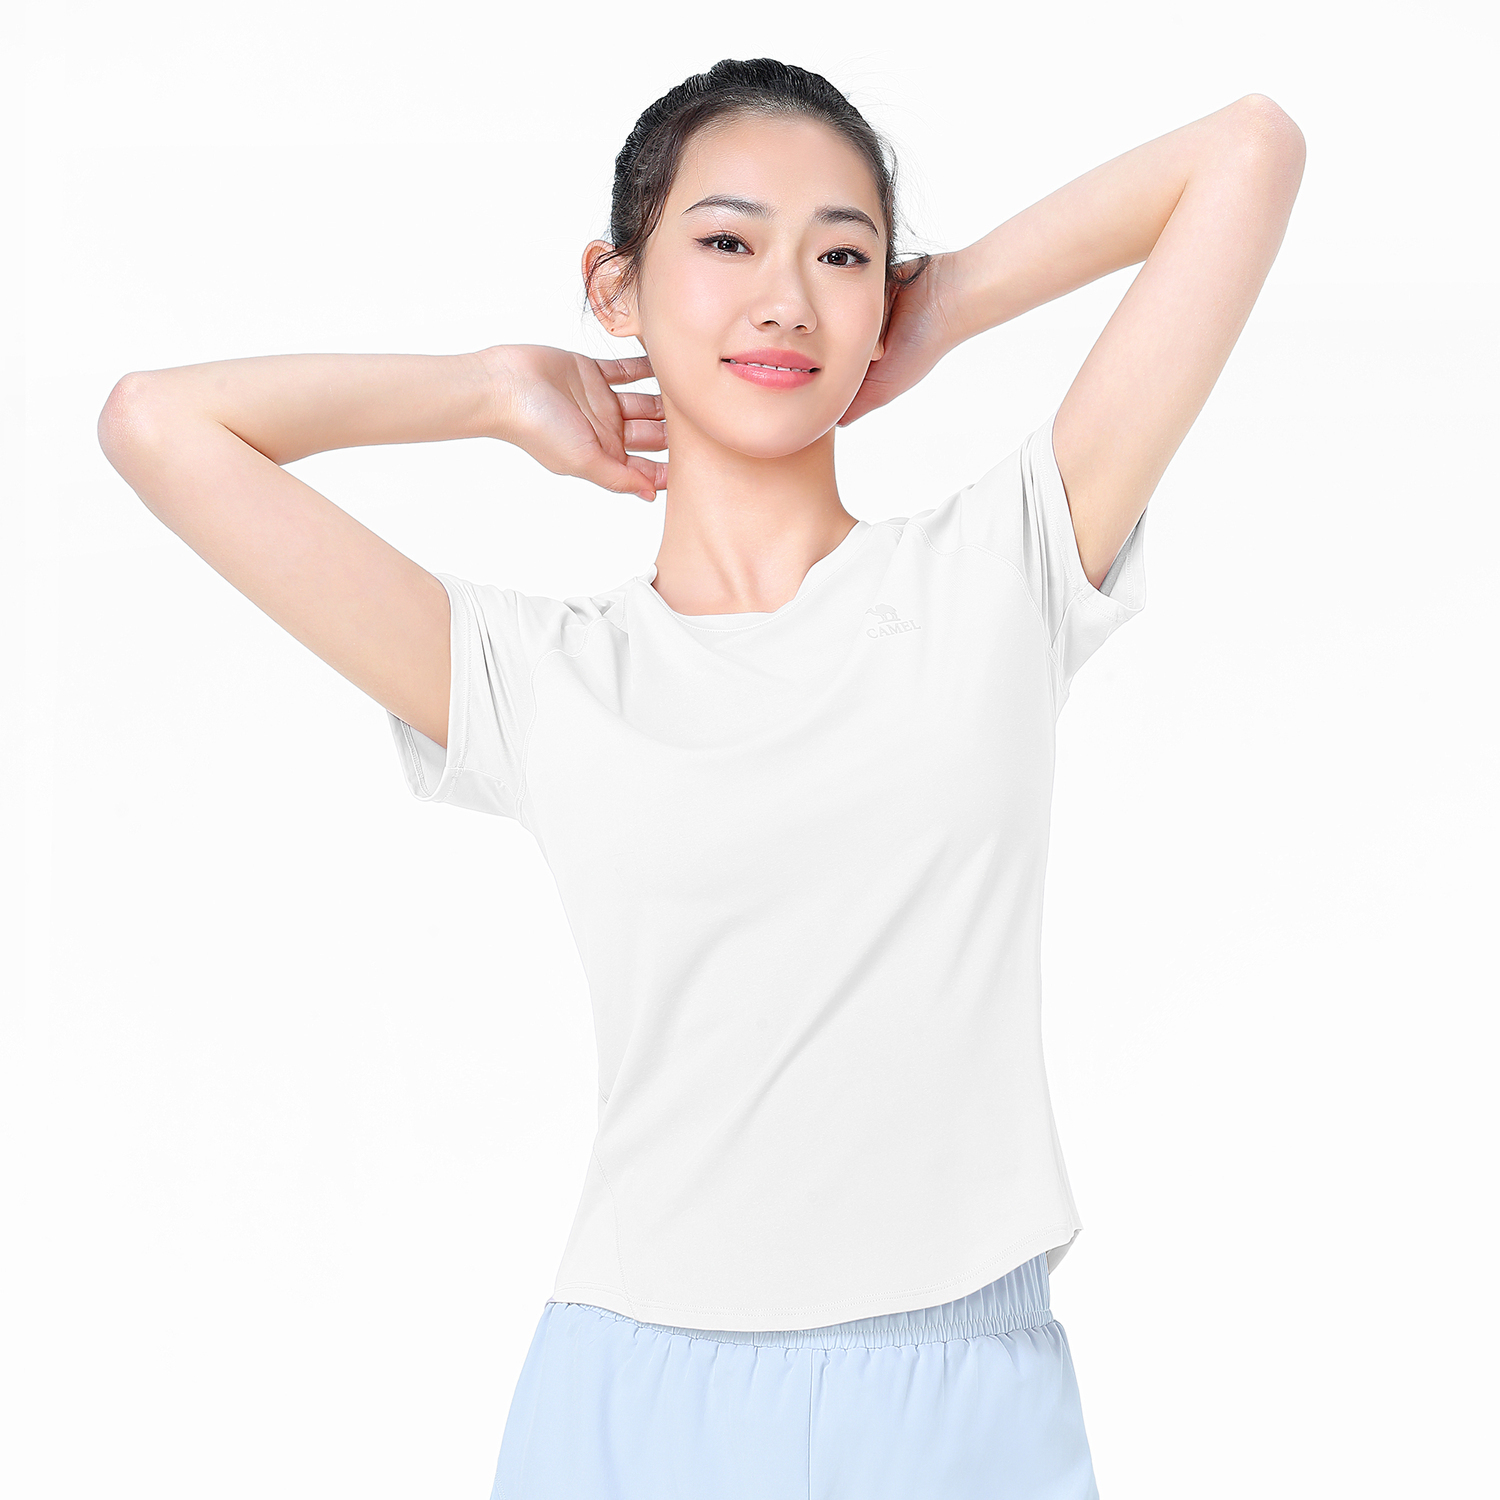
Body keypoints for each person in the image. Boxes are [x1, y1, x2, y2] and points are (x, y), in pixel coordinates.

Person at [97, 56, 1305, 1500]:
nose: (786, 298)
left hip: (961, 1398)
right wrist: (487, 390)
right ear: (614, 287)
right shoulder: (540, 677)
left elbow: (1247, 151)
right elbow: (157, 425)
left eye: (839, 255)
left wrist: (935, 308)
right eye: (729, 241)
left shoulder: (1004, 569)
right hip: (635, 1398)